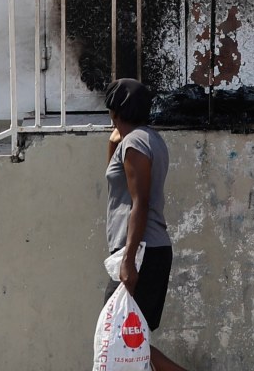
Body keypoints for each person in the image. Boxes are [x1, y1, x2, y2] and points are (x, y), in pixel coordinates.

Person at [104, 78, 191, 371]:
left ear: (115, 113)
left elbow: (139, 203)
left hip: (141, 252)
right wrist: (113, 140)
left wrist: (128, 260)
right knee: (128, 338)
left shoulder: (136, 143)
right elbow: (115, 183)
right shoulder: (144, 139)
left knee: (118, 335)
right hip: (147, 249)